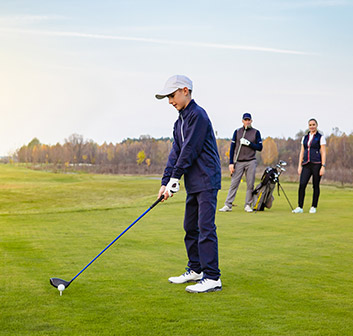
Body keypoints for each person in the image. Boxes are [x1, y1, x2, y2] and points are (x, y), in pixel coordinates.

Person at [155, 75, 222, 293]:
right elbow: (175, 153)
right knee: (189, 227)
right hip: (194, 182)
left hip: (206, 179)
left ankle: (212, 277)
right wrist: (166, 182)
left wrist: (176, 178)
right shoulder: (180, 121)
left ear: (185, 91)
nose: (170, 101)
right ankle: (196, 269)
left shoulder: (198, 116)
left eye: (172, 96)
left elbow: (189, 150)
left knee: (205, 228)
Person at [219, 113, 263, 213]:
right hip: (239, 161)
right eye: (245, 120)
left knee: (250, 184)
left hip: (251, 161)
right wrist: (231, 163)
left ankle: (248, 204)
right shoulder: (237, 132)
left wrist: (249, 143)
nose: (247, 122)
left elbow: (260, 147)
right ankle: (228, 204)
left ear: (251, 121)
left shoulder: (256, 132)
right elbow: (232, 148)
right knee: (234, 183)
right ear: (242, 121)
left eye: (249, 120)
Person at [292, 118, 326, 214]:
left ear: (316, 125)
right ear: (308, 126)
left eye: (313, 124)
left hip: (317, 164)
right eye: (310, 125)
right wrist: (299, 165)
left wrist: (323, 166)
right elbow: (302, 152)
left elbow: (323, 152)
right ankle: (300, 207)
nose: (312, 126)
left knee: (315, 185)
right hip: (306, 164)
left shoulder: (320, 137)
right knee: (302, 184)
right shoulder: (305, 137)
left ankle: (313, 206)